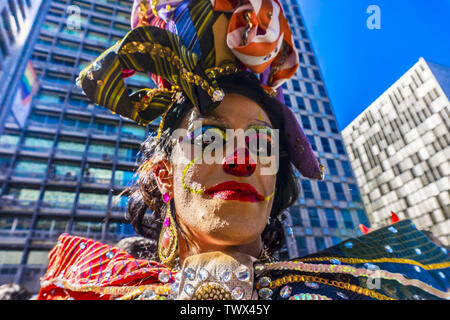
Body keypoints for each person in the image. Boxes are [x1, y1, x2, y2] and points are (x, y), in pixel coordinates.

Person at [37, 0, 449, 300]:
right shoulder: (86, 285)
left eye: (261, 142)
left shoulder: (381, 283)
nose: (241, 159)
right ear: (163, 173)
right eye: (209, 138)